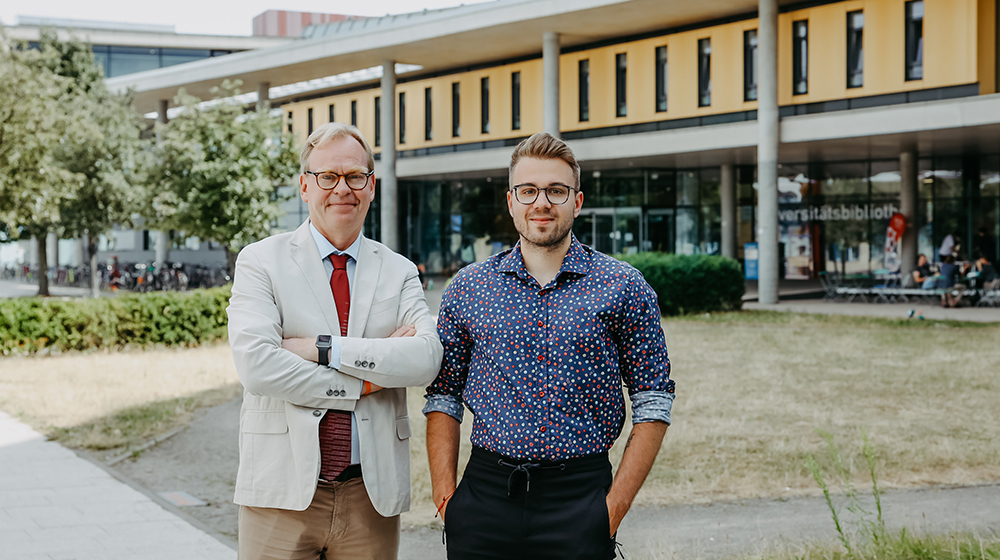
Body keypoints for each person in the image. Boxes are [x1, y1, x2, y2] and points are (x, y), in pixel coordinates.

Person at [424, 132, 675, 560]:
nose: (542, 202)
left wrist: (612, 510)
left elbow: (654, 400)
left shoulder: (623, 286)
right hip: (483, 498)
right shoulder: (468, 287)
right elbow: (443, 394)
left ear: (576, 201)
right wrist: (447, 498)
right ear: (511, 201)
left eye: (556, 191)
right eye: (529, 190)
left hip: (580, 498)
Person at [227, 122, 443, 560]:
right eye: (328, 177)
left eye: (354, 176)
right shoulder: (260, 261)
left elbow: (424, 359)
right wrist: (367, 380)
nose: (341, 188)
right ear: (305, 186)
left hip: (370, 494)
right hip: (280, 494)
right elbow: (257, 366)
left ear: (371, 186)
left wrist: (322, 349)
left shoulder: (399, 270)